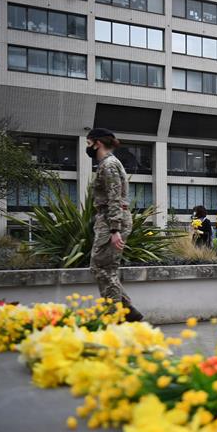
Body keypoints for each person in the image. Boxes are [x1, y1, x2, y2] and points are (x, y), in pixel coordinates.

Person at [87, 128, 143, 322]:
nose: (88, 148)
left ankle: (115, 317)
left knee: (103, 268)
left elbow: (114, 197)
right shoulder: (109, 163)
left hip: (111, 220)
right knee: (102, 267)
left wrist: (114, 229)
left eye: (88, 144)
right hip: (109, 219)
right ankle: (128, 311)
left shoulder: (109, 164)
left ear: (97, 143)